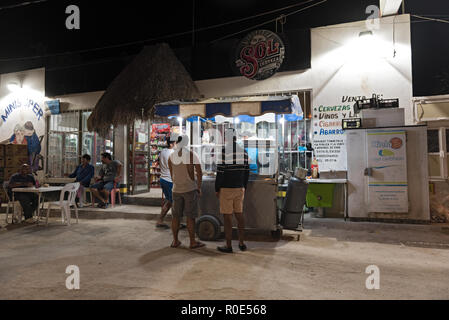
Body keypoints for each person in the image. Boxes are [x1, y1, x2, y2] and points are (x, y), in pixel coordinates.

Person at [215, 128, 250, 253]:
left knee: (228, 217)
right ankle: (241, 243)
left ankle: (228, 245)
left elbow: (220, 172)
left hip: (226, 188)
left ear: (227, 138)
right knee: (239, 215)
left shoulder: (224, 152)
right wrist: (244, 186)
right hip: (239, 188)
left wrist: (216, 188)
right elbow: (247, 171)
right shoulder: (244, 152)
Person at [168, 135, 205, 249]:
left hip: (176, 189)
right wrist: (199, 187)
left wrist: (176, 182)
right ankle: (192, 242)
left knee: (176, 217)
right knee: (190, 217)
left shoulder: (171, 156)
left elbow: (171, 173)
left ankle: (175, 241)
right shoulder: (191, 155)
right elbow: (199, 172)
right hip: (189, 189)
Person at [156, 133, 179, 229]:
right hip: (169, 180)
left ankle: (160, 220)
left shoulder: (163, 151)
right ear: (171, 144)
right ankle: (175, 222)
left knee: (169, 201)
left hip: (163, 179)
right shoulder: (172, 153)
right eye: (176, 143)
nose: (177, 145)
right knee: (174, 203)